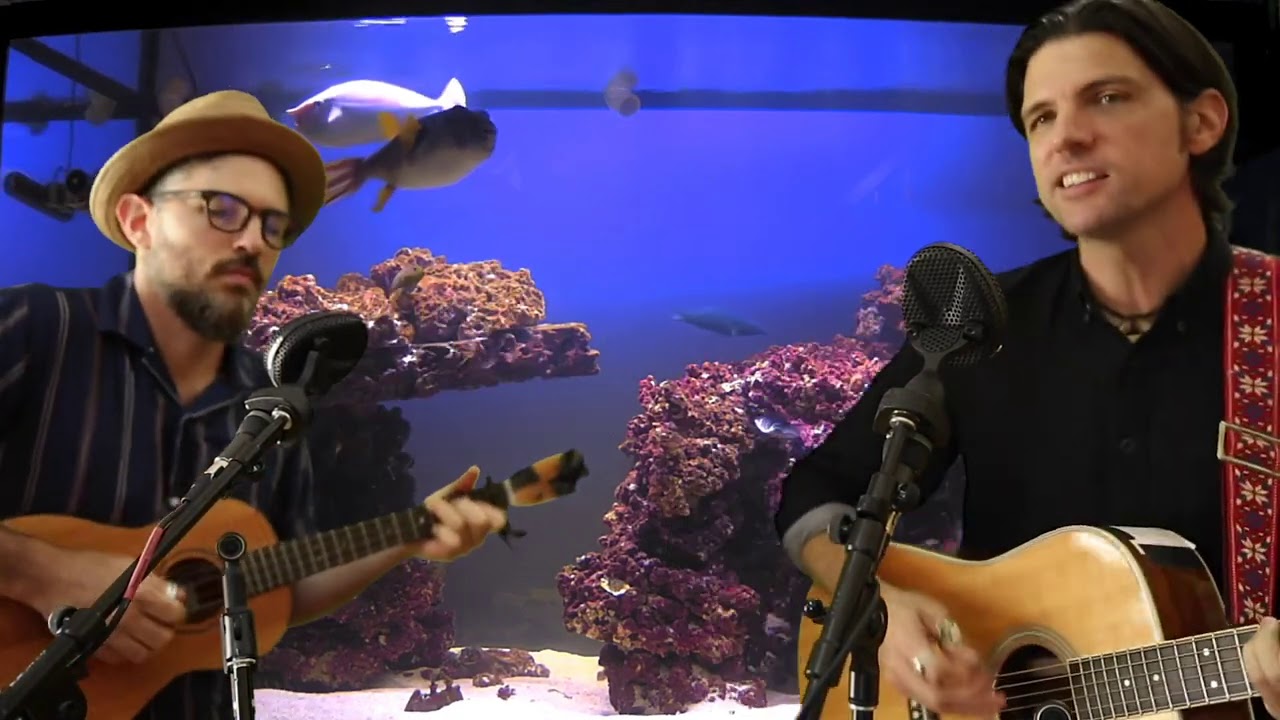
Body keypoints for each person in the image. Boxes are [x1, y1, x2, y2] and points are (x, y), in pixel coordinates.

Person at [773, 0, 1280, 716]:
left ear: (1200, 122)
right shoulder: (979, 322)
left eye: (1107, 97)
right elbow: (815, 491)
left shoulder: (1270, 325)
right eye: (1041, 118)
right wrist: (878, 608)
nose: (1066, 136)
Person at [0, 90, 509, 719]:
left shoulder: (271, 400)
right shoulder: (32, 329)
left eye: (273, 225)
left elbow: (285, 590)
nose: (253, 241)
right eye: (222, 209)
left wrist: (409, 535)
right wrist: (41, 571)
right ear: (138, 221)